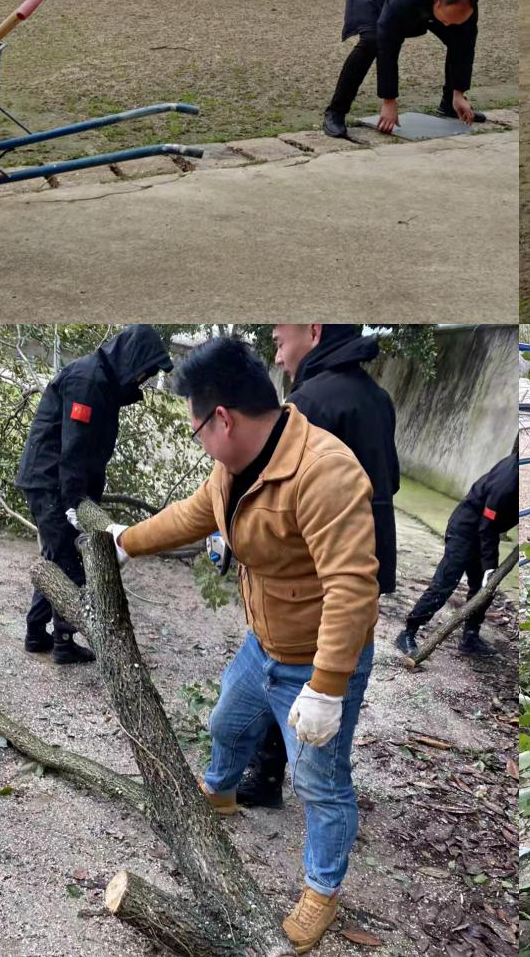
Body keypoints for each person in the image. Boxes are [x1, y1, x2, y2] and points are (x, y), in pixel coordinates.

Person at [110, 337, 379, 953]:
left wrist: (327, 689)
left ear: (223, 418)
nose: (200, 440)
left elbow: (351, 587)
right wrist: (128, 542)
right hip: (264, 643)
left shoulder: (324, 472)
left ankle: (321, 892)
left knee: (321, 782)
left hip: (317, 661)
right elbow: (190, 515)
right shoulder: (232, 470)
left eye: (198, 428)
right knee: (227, 720)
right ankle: (222, 794)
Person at [232, 324, 399, 810]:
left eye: (281, 338)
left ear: (313, 328)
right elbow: (391, 480)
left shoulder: (307, 403)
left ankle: (275, 775)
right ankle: (310, 766)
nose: (277, 351)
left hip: (317, 568)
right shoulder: (378, 397)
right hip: (370, 559)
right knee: (344, 661)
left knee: (288, 664)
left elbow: (272, 491)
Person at [14, 325, 172, 664]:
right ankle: (64, 643)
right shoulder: (87, 382)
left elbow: (92, 453)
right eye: (146, 371)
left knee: (56, 557)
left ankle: (34, 632)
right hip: (50, 481)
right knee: (70, 562)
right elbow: (74, 449)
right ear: (133, 361)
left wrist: (86, 498)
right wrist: (73, 501)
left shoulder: (104, 384)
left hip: (59, 482)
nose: (144, 380)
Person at [323, 0, 483, 139]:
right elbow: (388, 47)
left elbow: (464, 47)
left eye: (457, 21)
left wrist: (459, 92)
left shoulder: (466, 1)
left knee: (457, 38)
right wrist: (389, 101)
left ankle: (449, 103)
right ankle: (336, 111)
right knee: (372, 42)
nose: (448, 25)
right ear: (437, 1)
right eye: (447, 19)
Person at [394, 446, 518, 658]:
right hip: (466, 529)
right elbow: (488, 525)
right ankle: (408, 632)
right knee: (446, 582)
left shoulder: (518, 463)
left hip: (485, 531)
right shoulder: (507, 483)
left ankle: (470, 636)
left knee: (484, 587)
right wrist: (490, 566)